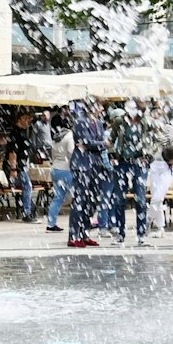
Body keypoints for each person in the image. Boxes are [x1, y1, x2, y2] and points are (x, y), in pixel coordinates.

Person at [105, 102, 150, 246]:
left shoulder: (145, 123)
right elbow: (111, 140)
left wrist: (149, 155)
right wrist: (112, 157)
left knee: (141, 199)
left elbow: (156, 139)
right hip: (122, 162)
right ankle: (120, 233)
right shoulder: (120, 121)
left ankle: (141, 234)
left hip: (138, 163)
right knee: (119, 199)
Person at [68, 100, 108, 248]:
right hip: (82, 165)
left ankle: (85, 233)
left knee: (91, 202)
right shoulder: (80, 121)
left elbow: (94, 143)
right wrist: (101, 144)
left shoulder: (98, 122)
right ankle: (73, 235)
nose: (102, 108)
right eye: (99, 105)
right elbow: (85, 142)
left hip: (96, 164)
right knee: (80, 200)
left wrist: (97, 144)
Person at [44, 108, 75, 233]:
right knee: (75, 196)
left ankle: (51, 223)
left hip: (55, 169)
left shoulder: (56, 138)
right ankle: (78, 222)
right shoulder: (69, 136)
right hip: (66, 170)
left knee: (58, 198)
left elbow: (53, 155)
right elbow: (71, 153)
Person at [147, 146, 173, 241]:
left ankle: (147, 220)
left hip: (167, 163)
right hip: (154, 164)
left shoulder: (169, 132)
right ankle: (161, 228)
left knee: (158, 197)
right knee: (156, 199)